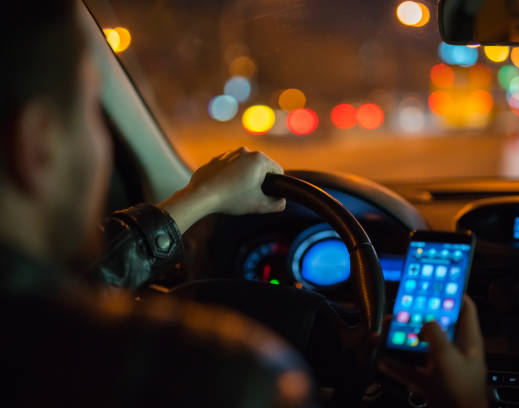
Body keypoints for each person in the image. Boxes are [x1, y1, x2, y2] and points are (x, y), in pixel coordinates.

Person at [0, 1, 488, 407]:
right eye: (91, 111)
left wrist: (201, 196)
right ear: (38, 143)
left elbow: (89, 282)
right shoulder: (232, 379)